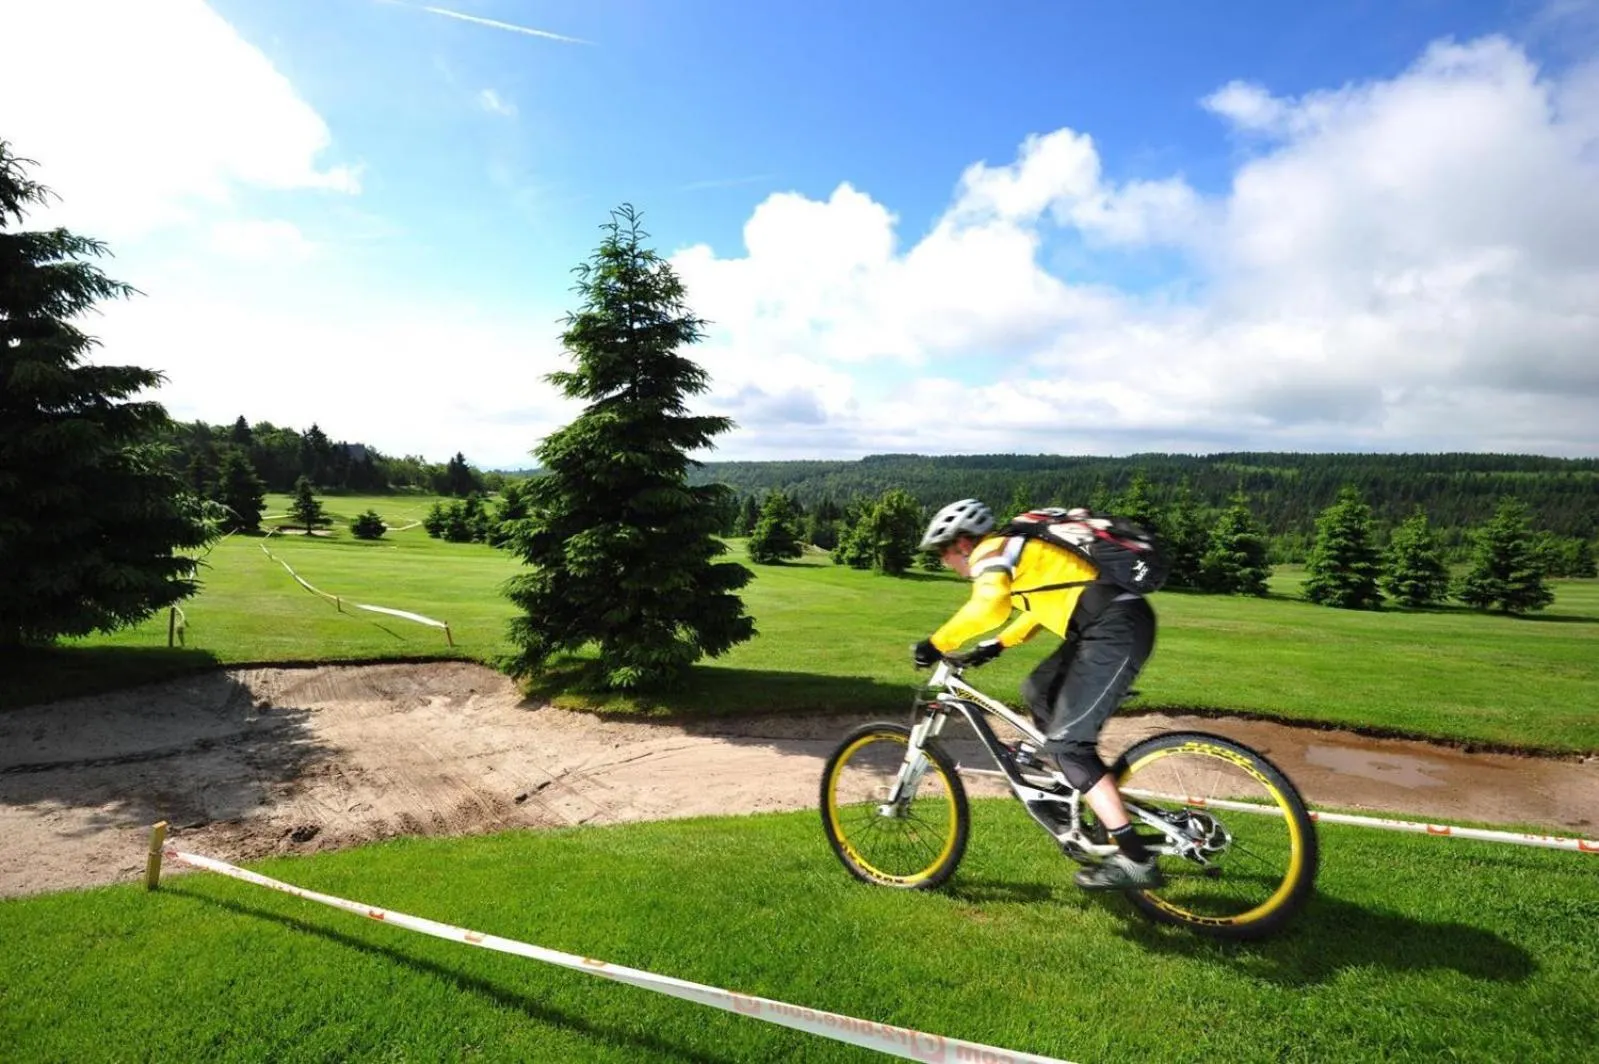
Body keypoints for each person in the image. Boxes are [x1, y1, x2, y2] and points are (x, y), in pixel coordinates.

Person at [911, 497, 1162, 891]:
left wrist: (936, 643)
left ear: (962, 543)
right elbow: (1042, 606)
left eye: (944, 551)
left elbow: (990, 605)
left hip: (1112, 630)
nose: (945, 561)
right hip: (1102, 627)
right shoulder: (1020, 549)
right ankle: (1080, 789)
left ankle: (1135, 859)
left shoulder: (992, 550)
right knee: (1038, 691)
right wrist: (997, 645)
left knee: (1068, 747)